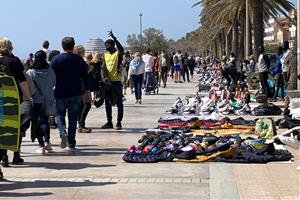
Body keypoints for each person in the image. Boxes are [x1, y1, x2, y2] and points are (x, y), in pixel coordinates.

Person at [50, 37, 90, 151]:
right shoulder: (79, 59)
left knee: (59, 115)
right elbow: (85, 76)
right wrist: (87, 90)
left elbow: (50, 75)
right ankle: (71, 143)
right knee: (73, 119)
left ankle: (62, 132)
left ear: (62, 46)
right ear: (73, 45)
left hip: (59, 93)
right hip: (75, 93)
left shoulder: (56, 60)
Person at [0, 37, 31, 166]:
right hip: (13, 98)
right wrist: (28, 97)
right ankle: (16, 155)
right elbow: (22, 80)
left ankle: (3, 157)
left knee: (2, 128)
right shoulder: (14, 60)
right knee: (15, 126)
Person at [26, 50, 56, 154]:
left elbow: (27, 86)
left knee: (37, 122)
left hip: (36, 101)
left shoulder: (31, 72)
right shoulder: (50, 70)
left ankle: (41, 145)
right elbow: (53, 82)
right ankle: (47, 142)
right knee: (45, 120)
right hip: (48, 100)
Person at [101, 31, 124, 130]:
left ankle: (119, 122)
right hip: (107, 82)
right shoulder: (105, 55)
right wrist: (103, 77)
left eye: (108, 44)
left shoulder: (117, 54)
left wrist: (114, 38)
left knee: (119, 102)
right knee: (107, 102)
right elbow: (103, 67)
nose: (106, 45)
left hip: (116, 82)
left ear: (112, 45)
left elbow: (121, 49)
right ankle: (109, 122)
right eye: (105, 44)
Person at [73, 45, 92, 133]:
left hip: (75, 85)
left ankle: (79, 123)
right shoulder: (81, 62)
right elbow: (85, 74)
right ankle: (81, 125)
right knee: (87, 105)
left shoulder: (72, 61)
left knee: (80, 105)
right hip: (82, 85)